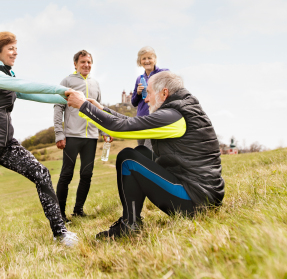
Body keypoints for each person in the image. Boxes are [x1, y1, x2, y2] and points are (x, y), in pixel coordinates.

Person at [0, 31, 79, 267]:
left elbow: (25, 93)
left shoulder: (6, 75)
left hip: (6, 142)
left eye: (16, 48)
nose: (15, 52)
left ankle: (61, 233)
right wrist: (61, 89)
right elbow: (21, 84)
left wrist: (64, 99)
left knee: (41, 173)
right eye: (11, 48)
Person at [67, 71, 224, 239]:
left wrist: (84, 106)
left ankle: (129, 225)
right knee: (141, 152)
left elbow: (120, 128)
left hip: (196, 201)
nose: (146, 99)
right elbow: (132, 124)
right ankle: (132, 221)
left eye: (148, 93)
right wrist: (102, 110)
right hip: (204, 195)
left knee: (127, 158)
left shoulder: (173, 116)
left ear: (164, 93)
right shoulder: (180, 111)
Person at [53, 50, 110, 222]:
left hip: (91, 137)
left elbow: (99, 109)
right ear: (75, 64)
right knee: (66, 175)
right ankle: (60, 214)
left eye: (89, 62)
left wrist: (105, 131)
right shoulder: (67, 81)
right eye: (83, 62)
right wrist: (59, 133)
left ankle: (78, 210)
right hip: (71, 136)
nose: (86, 65)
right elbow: (58, 107)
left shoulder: (96, 84)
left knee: (87, 174)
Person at [131, 46, 168, 151]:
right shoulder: (139, 78)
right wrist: (138, 93)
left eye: (149, 58)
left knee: (148, 151)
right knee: (141, 151)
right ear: (140, 61)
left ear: (155, 59)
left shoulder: (163, 73)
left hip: (154, 119)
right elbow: (133, 103)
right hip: (140, 120)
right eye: (143, 58)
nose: (147, 61)